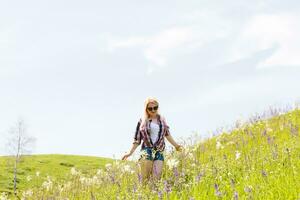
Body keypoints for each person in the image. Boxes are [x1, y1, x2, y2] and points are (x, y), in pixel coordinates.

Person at [122, 97, 182, 182]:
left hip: (159, 151)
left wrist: (176, 146)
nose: (153, 110)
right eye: (150, 108)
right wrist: (130, 152)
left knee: (156, 180)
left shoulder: (162, 120)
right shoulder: (142, 121)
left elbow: (167, 134)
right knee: (144, 180)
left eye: (155, 108)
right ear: (146, 109)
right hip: (147, 151)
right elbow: (137, 139)